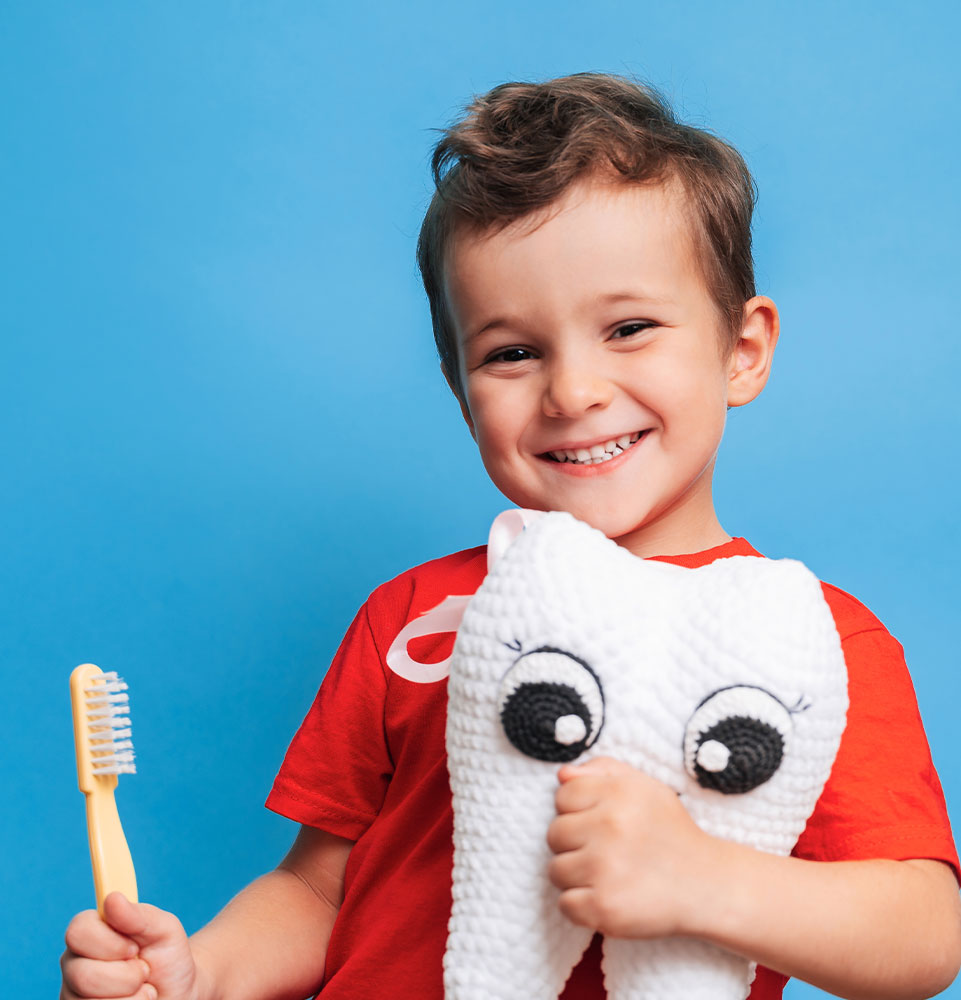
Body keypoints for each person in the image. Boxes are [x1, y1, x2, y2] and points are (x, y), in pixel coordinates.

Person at [60, 73, 961, 1000]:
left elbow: (923, 932)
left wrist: (708, 881)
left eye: (630, 328)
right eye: (511, 352)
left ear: (742, 351)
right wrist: (199, 975)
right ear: (458, 387)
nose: (573, 392)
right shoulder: (412, 620)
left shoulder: (812, 641)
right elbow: (317, 893)